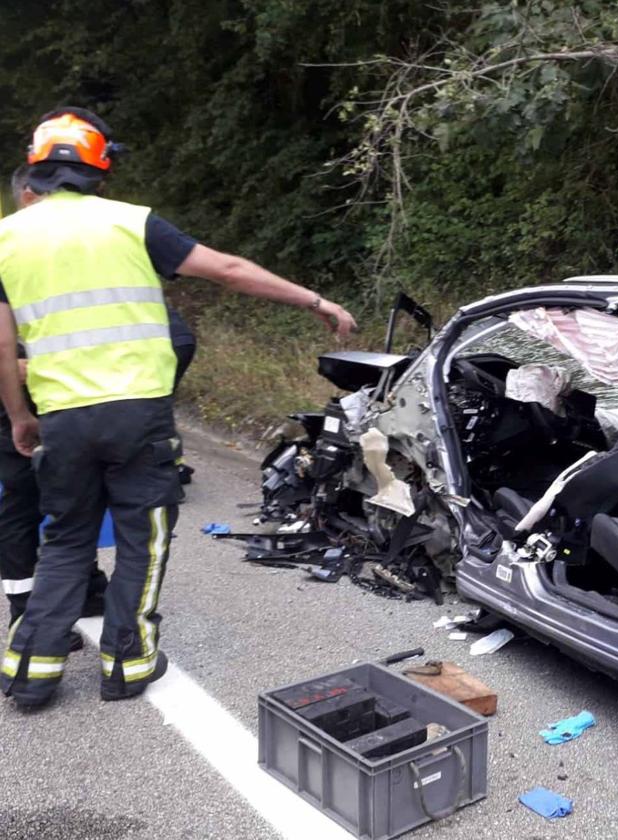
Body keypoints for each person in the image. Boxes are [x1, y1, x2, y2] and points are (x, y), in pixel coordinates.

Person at [0, 107, 356, 707]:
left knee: (64, 538)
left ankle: (33, 666)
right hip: (137, 413)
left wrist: (18, 416)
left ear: (36, 169)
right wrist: (315, 300)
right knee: (144, 535)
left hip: (62, 415)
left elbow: (3, 342)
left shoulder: (7, 237)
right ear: (99, 170)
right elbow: (229, 270)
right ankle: (128, 660)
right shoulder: (132, 224)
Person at [0, 164, 198, 635]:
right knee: (26, 505)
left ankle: (56, 621)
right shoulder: (14, 244)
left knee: (70, 514)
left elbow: (173, 336)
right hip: (26, 406)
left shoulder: (82, 247)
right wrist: (20, 405)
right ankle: (26, 611)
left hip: (69, 409)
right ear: (28, 195)